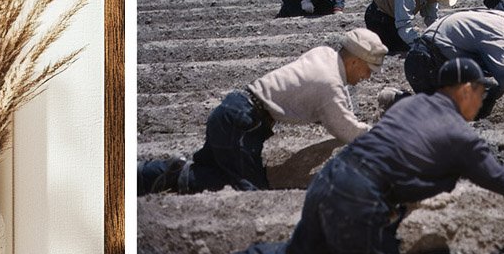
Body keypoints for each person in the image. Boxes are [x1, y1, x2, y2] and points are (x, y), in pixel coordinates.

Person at [189, 58, 504, 254]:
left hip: (330, 180)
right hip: (360, 199)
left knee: (298, 252)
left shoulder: (410, 105)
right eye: (481, 91)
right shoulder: (462, 135)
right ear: (465, 91)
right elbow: (495, 176)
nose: (483, 99)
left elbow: (400, 150)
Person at [137, 28, 387, 195]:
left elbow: (338, 96)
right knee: (249, 191)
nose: (367, 77)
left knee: (216, 174)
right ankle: (161, 174)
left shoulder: (324, 54)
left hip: (235, 112)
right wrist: (383, 137)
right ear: (354, 61)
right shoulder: (329, 85)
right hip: (243, 124)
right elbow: (346, 129)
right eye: (368, 70)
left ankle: (146, 175)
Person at [404, 0, 504, 120]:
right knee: (445, 120)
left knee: (487, 88)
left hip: (430, 59)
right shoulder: (499, 33)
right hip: (426, 63)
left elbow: (496, 68)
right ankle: (398, 102)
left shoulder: (498, 19)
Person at [364, 0, 458, 53]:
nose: (438, 1)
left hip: (394, 16)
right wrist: (420, 44)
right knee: (399, 48)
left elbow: (432, 18)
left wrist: (441, 37)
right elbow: (403, 25)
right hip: (378, 17)